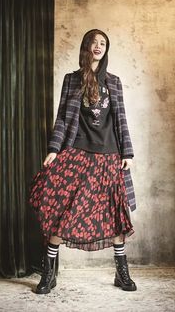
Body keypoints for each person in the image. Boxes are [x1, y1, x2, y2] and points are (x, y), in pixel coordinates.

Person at [28, 29, 137, 295]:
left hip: (109, 154)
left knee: (113, 213)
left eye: (103, 43)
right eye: (94, 42)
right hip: (77, 152)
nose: (98, 46)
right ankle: (49, 273)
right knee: (63, 210)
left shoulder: (114, 81)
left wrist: (128, 154)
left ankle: (122, 274)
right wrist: (54, 149)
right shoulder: (71, 80)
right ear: (86, 46)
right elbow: (63, 118)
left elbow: (121, 120)